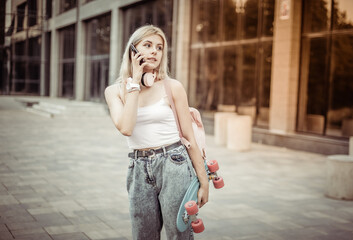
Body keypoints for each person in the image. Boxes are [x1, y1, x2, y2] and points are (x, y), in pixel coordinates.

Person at [104, 25, 209, 240]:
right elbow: (126, 127)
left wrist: (204, 181)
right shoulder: (115, 92)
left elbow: (189, 137)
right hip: (139, 168)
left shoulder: (173, 87)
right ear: (133, 51)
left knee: (179, 234)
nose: (154, 51)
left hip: (175, 163)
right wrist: (134, 82)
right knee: (143, 236)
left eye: (159, 48)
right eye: (147, 45)